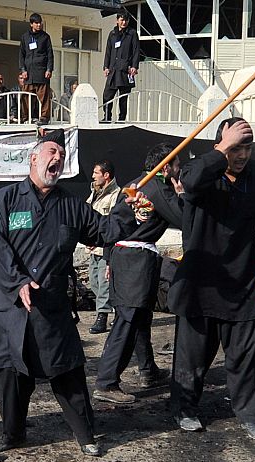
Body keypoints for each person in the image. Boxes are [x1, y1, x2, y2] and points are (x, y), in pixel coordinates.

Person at [0, 129, 142, 457]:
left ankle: (86, 436)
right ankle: (12, 433)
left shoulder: (70, 205)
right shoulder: (6, 200)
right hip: (8, 305)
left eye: (62, 156)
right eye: (52, 152)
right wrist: (17, 281)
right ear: (34, 159)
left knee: (67, 372)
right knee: (8, 374)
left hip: (50, 307)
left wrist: (127, 207)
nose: (58, 158)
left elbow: (104, 231)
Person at [168, 118, 255, 440]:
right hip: (202, 281)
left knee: (247, 354)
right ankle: (185, 408)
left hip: (242, 278)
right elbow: (190, 183)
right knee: (193, 356)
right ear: (221, 145)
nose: (242, 155)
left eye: (247, 147)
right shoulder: (200, 171)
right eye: (236, 147)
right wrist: (221, 150)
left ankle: (249, 414)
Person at [93, 142, 183, 404]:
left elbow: (114, 225)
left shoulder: (138, 183)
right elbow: (183, 217)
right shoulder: (157, 187)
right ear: (166, 167)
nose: (180, 170)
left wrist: (110, 258)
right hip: (135, 260)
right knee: (128, 319)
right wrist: (182, 194)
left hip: (127, 257)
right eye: (178, 165)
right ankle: (107, 381)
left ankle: (148, 370)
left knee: (140, 317)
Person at [85, 159, 120, 334]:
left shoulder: (116, 195)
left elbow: (112, 224)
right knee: (95, 282)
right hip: (93, 247)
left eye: (96, 173)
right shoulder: (95, 193)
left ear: (106, 175)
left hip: (106, 248)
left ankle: (103, 316)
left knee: (104, 283)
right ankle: (117, 312)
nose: (93, 176)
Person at [102, 11, 139, 123]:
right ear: (117, 20)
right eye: (122, 20)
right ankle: (107, 117)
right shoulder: (112, 33)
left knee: (123, 98)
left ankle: (121, 119)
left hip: (125, 69)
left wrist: (134, 66)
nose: (124, 22)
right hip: (113, 69)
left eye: (126, 20)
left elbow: (136, 50)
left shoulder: (132, 33)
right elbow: (108, 51)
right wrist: (106, 66)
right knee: (107, 95)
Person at [19, 13, 54, 125]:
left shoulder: (45, 37)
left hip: (42, 71)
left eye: (40, 23)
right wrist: (23, 70)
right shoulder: (25, 37)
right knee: (25, 97)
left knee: (44, 97)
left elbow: (50, 55)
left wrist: (49, 69)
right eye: (36, 23)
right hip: (28, 73)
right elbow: (21, 55)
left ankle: (44, 118)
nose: (39, 25)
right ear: (31, 24)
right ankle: (25, 117)